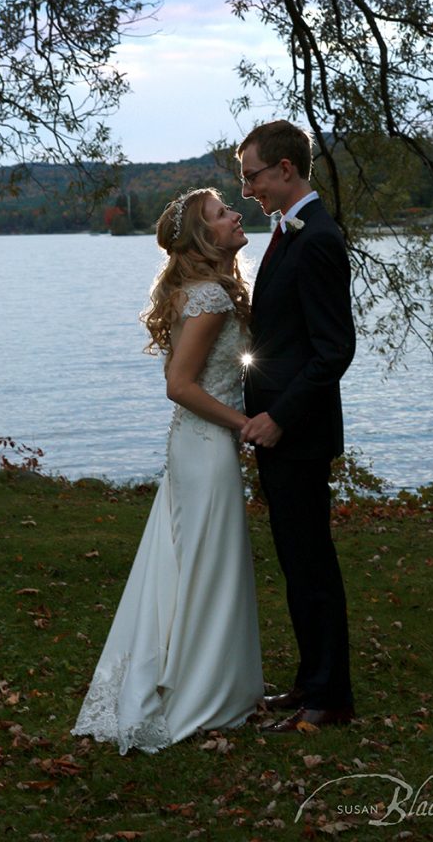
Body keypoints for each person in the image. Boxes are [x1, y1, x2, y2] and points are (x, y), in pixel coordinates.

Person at [72, 188, 263, 754]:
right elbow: (179, 387)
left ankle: (206, 680)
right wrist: (245, 424)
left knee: (193, 562)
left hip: (195, 447)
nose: (235, 215)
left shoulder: (200, 292)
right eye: (223, 213)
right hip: (205, 447)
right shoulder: (208, 298)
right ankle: (203, 694)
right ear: (205, 236)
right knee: (209, 565)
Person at [237, 120, 356, 732]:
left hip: (297, 433)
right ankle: (311, 684)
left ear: (285, 169)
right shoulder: (288, 232)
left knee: (311, 564)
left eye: (252, 175)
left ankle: (329, 699)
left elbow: (333, 351)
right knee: (297, 561)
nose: (247, 188)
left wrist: (280, 417)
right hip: (276, 430)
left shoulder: (319, 240)